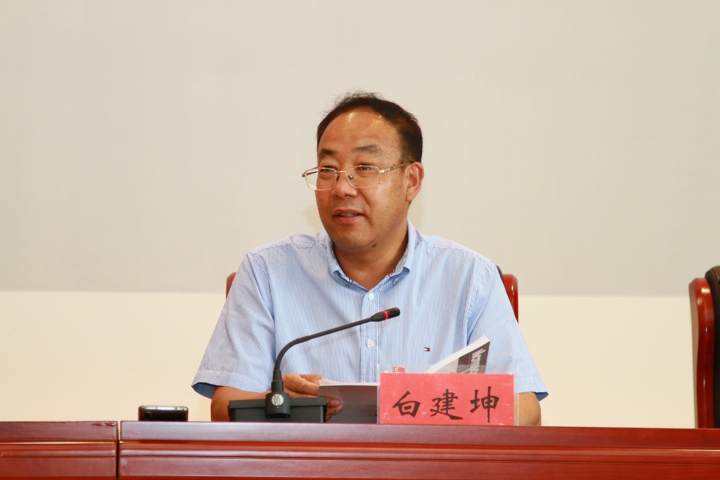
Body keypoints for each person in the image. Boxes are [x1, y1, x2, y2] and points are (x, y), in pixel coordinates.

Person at [192, 92, 547, 425]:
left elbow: (525, 410)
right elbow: (226, 405)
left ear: (411, 180)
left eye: (365, 168)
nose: (342, 188)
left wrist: (411, 404)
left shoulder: (469, 277)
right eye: (328, 169)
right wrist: (281, 403)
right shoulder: (267, 272)